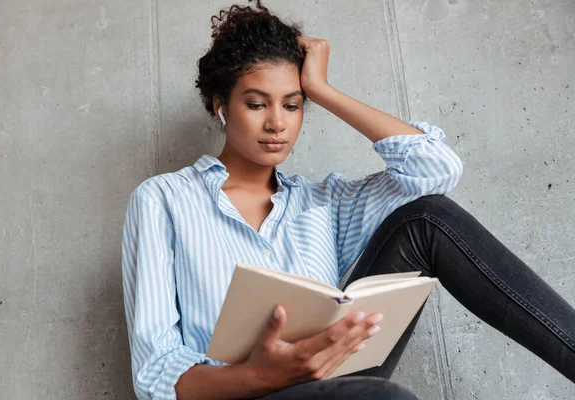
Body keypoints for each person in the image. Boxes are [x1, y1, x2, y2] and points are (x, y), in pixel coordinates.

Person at [120, 1, 575, 399]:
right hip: (237, 394)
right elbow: (157, 375)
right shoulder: (163, 200)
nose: (277, 123)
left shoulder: (326, 205)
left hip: (335, 385)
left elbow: (437, 169)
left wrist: (322, 89)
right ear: (221, 105)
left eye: (293, 105)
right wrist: (257, 375)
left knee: (427, 219)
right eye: (257, 104)